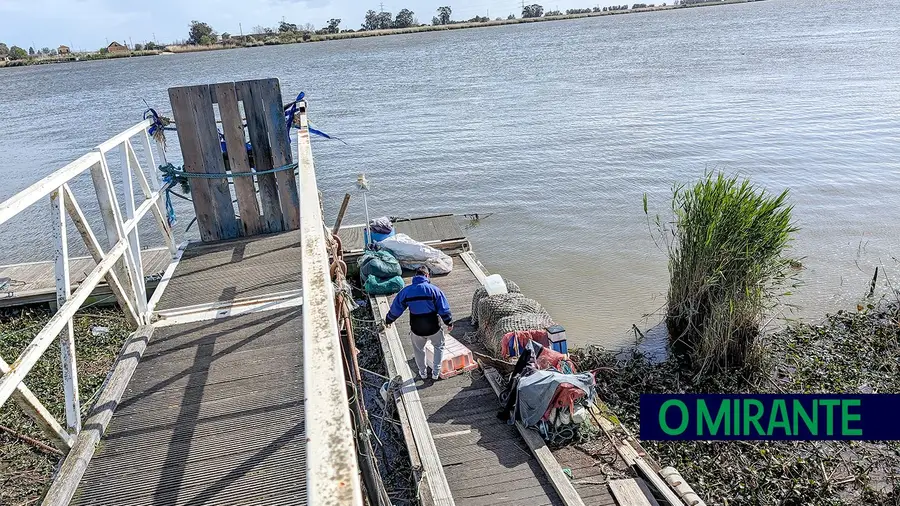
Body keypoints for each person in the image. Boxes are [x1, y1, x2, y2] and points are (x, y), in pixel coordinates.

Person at [384, 266, 453, 380]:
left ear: (415, 276)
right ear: (427, 275)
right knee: (439, 346)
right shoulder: (434, 290)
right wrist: (449, 322)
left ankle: (423, 372)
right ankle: (436, 372)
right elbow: (443, 309)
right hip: (433, 327)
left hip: (416, 328)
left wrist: (389, 320)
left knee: (419, 350)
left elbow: (396, 308)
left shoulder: (406, 291)